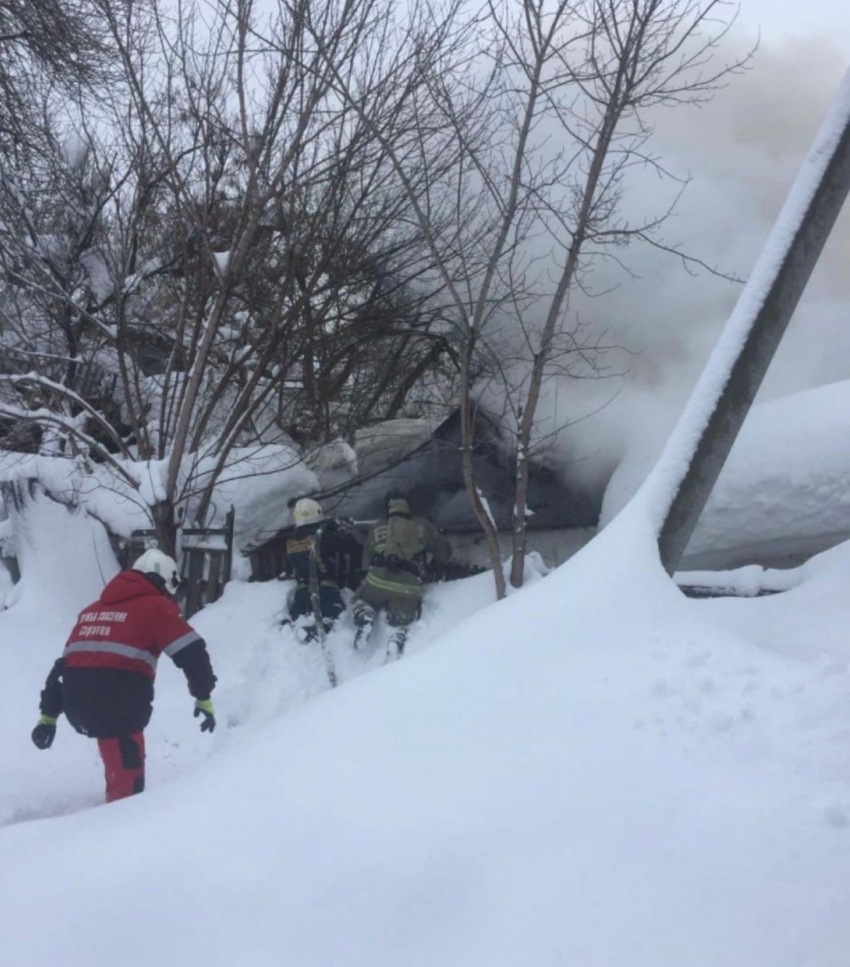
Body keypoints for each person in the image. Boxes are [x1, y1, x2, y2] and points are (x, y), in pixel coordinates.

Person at [30, 548, 217, 804]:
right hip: (118, 709)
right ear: (161, 581)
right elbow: (192, 651)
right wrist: (203, 695)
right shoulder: (155, 606)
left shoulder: (90, 611)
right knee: (128, 794)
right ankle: (115, 833)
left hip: (78, 706)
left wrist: (47, 717)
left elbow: (66, 667)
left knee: (115, 758)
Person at [352, 489, 452, 659]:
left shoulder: (377, 527)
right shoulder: (423, 525)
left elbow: (367, 558)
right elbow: (445, 552)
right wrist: (435, 566)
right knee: (402, 622)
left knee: (360, 601)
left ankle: (366, 616)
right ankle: (397, 637)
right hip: (408, 585)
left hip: (377, 580)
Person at [283, 497, 361, 642]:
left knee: (297, 614)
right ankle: (317, 632)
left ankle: (289, 627)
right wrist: (343, 531)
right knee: (335, 614)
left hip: (301, 590)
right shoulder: (323, 535)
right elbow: (349, 546)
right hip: (325, 588)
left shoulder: (291, 540)